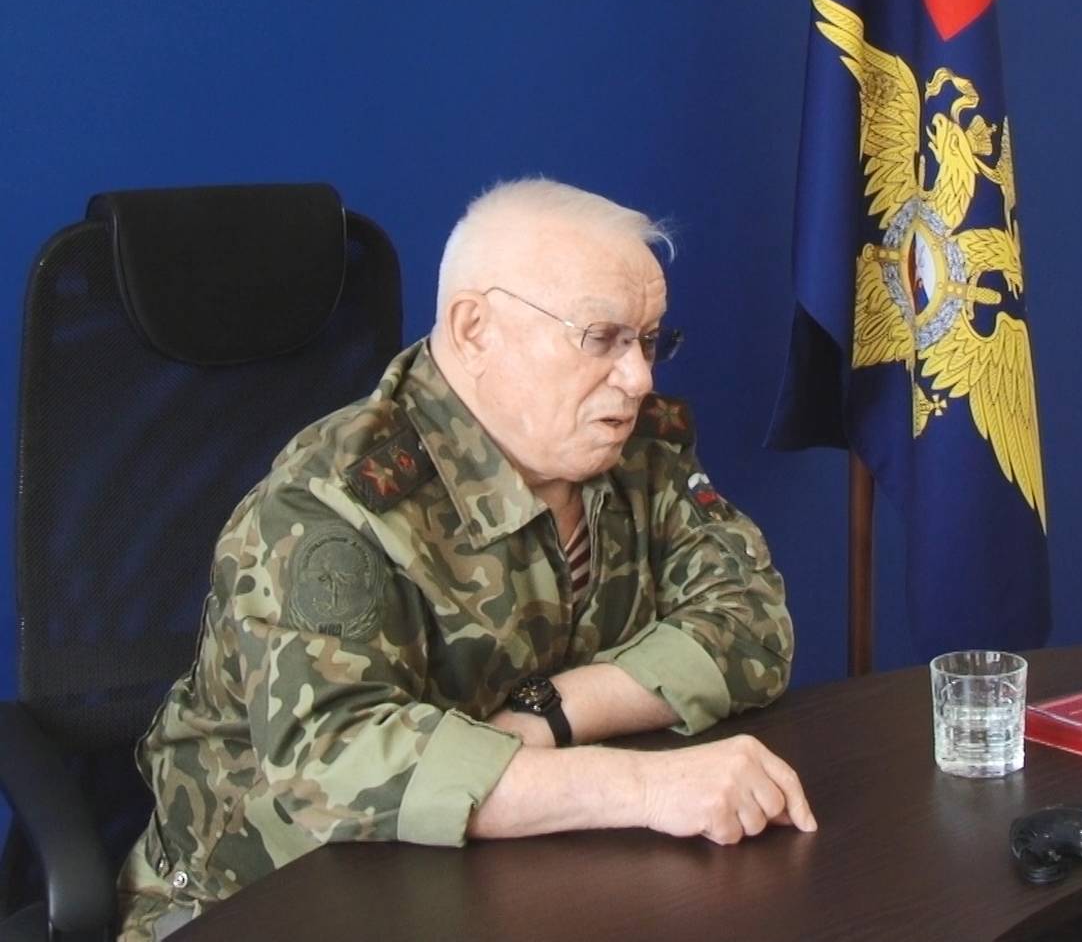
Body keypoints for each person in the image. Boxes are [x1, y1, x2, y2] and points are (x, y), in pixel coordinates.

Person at [118, 178, 814, 940]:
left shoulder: (632, 446)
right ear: (475, 329)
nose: (640, 378)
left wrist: (551, 714)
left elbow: (750, 621)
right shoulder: (334, 506)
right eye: (602, 338)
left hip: (513, 887)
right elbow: (339, 763)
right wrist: (647, 789)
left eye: (649, 340)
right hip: (255, 906)